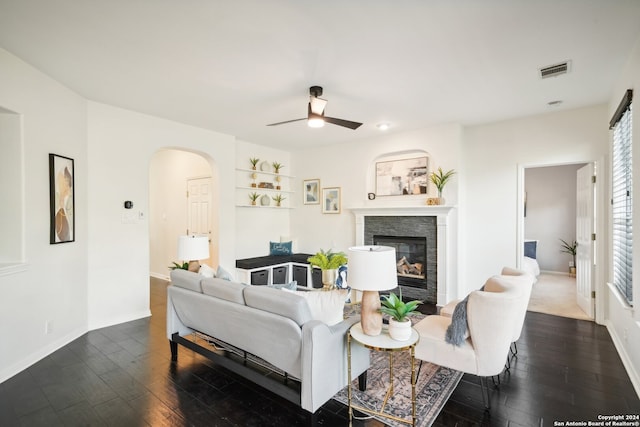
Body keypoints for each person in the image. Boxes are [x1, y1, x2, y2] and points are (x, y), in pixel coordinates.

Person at [55, 166, 72, 241]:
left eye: (67, 180)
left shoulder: (70, 196)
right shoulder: (59, 196)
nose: (65, 182)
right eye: (64, 180)